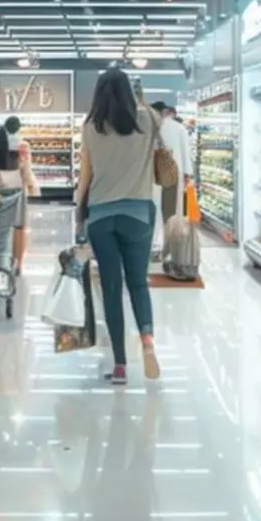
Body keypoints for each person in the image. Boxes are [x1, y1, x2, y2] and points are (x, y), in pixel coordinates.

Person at [75, 68, 162, 385]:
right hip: (138, 214)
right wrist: (139, 97)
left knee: (111, 288)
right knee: (138, 283)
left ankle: (121, 364)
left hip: (100, 217)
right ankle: (148, 342)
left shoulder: (90, 127)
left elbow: (84, 178)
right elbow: (150, 110)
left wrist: (78, 215)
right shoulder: (148, 119)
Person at [0, 116, 38, 272]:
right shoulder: (22, 146)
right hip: (17, 190)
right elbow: (26, 171)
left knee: (0, 226)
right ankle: (17, 264)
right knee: (20, 227)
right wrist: (33, 188)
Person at [149, 101, 193, 249]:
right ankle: (172, 241)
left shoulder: (150, 127)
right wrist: (187, 173)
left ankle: (155, 241)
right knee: (173, 208)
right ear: (167, 111)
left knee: (155, 205)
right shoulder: (179, 128)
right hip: (175, 172)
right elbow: (186, 151)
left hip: (154, 173)